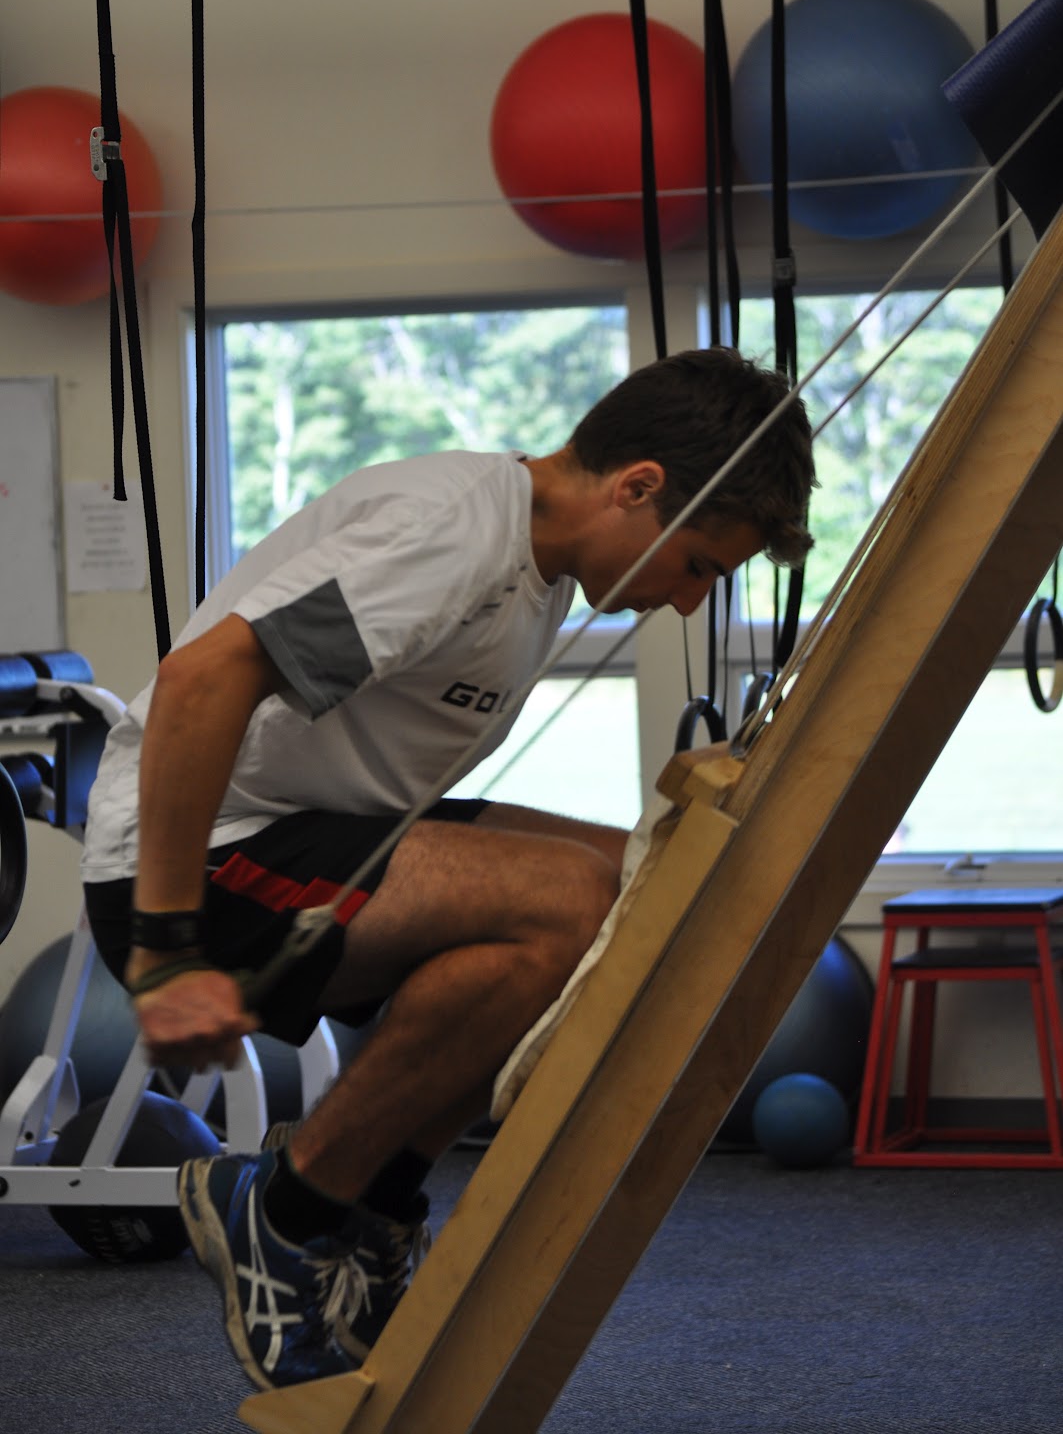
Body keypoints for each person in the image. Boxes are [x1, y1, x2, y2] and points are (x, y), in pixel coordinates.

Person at [80, 344, 815, 1391]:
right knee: (568, 898)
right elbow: (205, 678)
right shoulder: (451, 537)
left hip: (321, 829)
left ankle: (376, 1205)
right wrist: (165, 947)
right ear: (637, 486)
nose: (691, 602)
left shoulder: (537, 562)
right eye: (698, 565)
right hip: (201, 856)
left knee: (635, 880)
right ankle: (282, 1213)